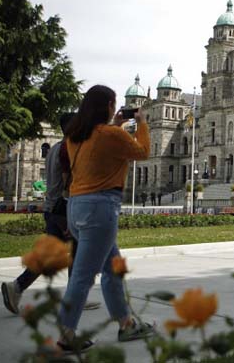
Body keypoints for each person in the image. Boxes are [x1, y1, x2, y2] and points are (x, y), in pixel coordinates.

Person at [57, 85, 153, 353]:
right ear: (110, 105)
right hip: (100, 209)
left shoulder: (75, 136)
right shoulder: (110, 134)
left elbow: (99, 150)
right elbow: (143, 152)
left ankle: (127, 323)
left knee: (112, 269)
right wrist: (142, 123)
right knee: (83, 277)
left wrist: (117, 126)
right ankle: (66, 336)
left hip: (76, 207)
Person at [1, 113, 101, 314]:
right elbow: (70, 183)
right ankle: (74, 298)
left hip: (52, 208)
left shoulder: (55, 148)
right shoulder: (69, 150)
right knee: (79, 253)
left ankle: (18, 287)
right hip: (65, 209)